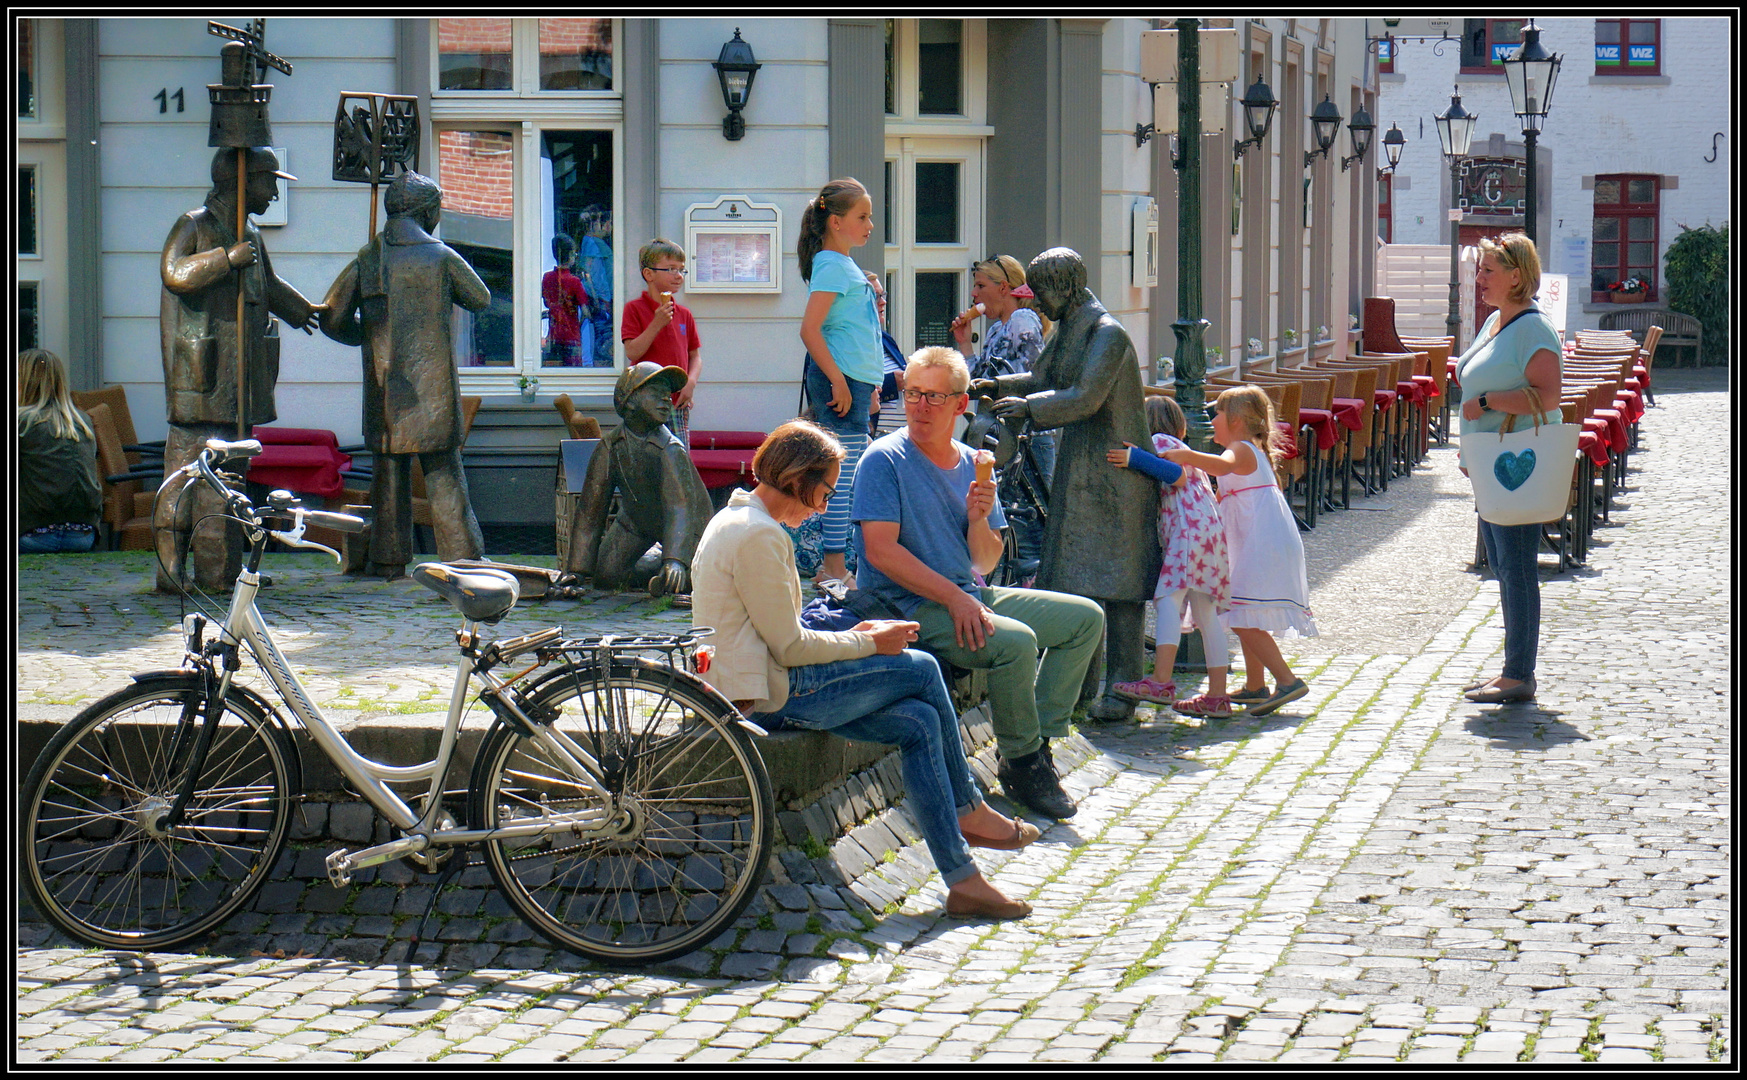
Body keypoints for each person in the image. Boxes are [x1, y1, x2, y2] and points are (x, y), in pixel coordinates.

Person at [694, 420, 1039, 920]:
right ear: (798, 478)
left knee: (919, 722)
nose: (825, 505)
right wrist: (868, 641)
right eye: (826, 492)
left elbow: (779, 635)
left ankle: (964, 881)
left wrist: (866, 637)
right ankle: (969, 808)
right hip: (766, 695)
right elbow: (790, 647)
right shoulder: (758, 536)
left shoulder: (741, 521)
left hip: (760, 686)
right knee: (921, 667)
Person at [854, 346, 1104, 821]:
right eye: (912, 394)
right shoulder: (883, 460)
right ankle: (1022, 763)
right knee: (1016, 642)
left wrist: (976, 518)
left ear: (960, 403)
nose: (920, 407)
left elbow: (984, 561)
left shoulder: (975, 462)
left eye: (933, 396)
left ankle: (1039, 744)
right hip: (903, 607)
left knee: (1085, 619)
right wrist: (953, 598)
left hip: (965, 593)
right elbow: (881, 551)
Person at [971, 247, 1160, 722]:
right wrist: (997, 387)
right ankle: (1078, 687)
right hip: (1083, 472)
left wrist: (1030, 409)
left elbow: (1085, 398)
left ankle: (1123, 689)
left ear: (1065, 289)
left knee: (1119, 589)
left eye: (1039, 292)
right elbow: (1041, 377)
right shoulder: (1072, 328)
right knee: (1077, 583)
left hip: (1118, 477)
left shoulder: (1107, 334)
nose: (1033, 302)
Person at [155, 146, 325, 593]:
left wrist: (304, 310)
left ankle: (222, 572)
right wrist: (226, 259)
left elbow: (266, 284)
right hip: (201, 381)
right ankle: (172, 572)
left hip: (237, 386)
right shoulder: (194, 224)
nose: (273, 192)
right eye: (269, 181)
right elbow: (174, 272)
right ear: (243, 181)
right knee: (185, 479)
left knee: (230, 481)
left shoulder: (248, 231)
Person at [320, 170, 490, 580]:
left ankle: (388, 557)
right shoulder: (440, 256)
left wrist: (364, 334)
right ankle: (462, 557)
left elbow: (330, 316)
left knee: (389, 475)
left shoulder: (370, 257)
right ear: (427, 211)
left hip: (386, 389)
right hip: (433, 393)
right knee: (444, 475)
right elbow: (481, 298)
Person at [1453, 231, 1563, 705]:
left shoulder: (1534, 329)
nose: (1479, 278)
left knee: (1516, 566)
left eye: (1487, 270)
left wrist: (1487, 401)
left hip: (1519, 466)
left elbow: (1550, 395)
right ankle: (1513, 667)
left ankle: (1519, 673)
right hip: (1492, 466)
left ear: (1516, 276)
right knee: (1502, 563)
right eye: (1479, 269)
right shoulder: (1497, 321)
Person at [1162, 385, 1317, 717]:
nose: (1212, 419)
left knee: (1245, 617)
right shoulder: (1249, 451)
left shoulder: (1240, 449)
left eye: (1217, 413)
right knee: (1244, 610)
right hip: (1259, 540)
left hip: (1261, 543)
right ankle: (1255, 685)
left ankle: (1287, 680)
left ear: (1235, 420)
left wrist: (1186, 455)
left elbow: (1220, 467)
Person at [1107, 394, 1235, 717]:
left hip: (1187, 534)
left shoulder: (1159, 442)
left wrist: (1135, 459)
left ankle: (1161, 680)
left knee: (1167, 599)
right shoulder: (1186, 450)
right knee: (1207, 616)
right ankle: (1218, 695)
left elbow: (1175, 475)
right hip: (1209, 534)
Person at [561, 361, 713, 597]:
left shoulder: (670, 449)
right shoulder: (609, 447)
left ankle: (668, 563)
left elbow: (680, 508)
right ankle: (655, 564)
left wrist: (675, 560)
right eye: (657, 394)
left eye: (668, 394)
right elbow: (590, 512)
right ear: (629, 400)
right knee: (607, 577)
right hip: (637, 522)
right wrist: (576, 571)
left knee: (683, 581)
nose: (667, 400)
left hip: (690, 527)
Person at [798, 177, 885, 588]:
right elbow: (810, 330)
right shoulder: (832, 264)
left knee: (847, 478)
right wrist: (839, 381)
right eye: (862, 216)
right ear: (835, 221)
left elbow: (859, 331)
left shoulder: (842, 264)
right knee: (841, 480)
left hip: (854, 382)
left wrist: (871, 387)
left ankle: (835, 567)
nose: (870, 224)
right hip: (842, 380)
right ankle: (832, 569)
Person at [952, 254, 1057, 482]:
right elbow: (978, 382)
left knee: (1033, 514)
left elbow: (1035, 378)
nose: (974, 294)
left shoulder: (1023, 318)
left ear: (1003, 288)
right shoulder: (996, 330)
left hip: (1028, 438)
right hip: (1002, 438)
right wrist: (965, 344)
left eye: (981, 286)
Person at [17, 349, 102, 554]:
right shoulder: (82, 421)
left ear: (23, 383)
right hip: (84, 534)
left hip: (34, 534)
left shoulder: (22, 422)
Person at [621, 238, 701, 446]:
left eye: (681, 270)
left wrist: (690, 383)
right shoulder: (634, 309)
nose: (678, 276)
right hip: (646, 403)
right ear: (649, 274)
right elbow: (633, 352)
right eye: (671, 269)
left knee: (678, 457)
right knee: (647, 457)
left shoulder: (684, 314)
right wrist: (657, 323)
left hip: (677, 402)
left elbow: (695, 356)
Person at [541, 233, 593, 368]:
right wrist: (577, 324)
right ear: (570, 255)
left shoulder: (547, 278)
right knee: (572, 374)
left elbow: (546, 302)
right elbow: (586, 312)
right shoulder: (574, 281)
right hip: (571, 337)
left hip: (553, 336)